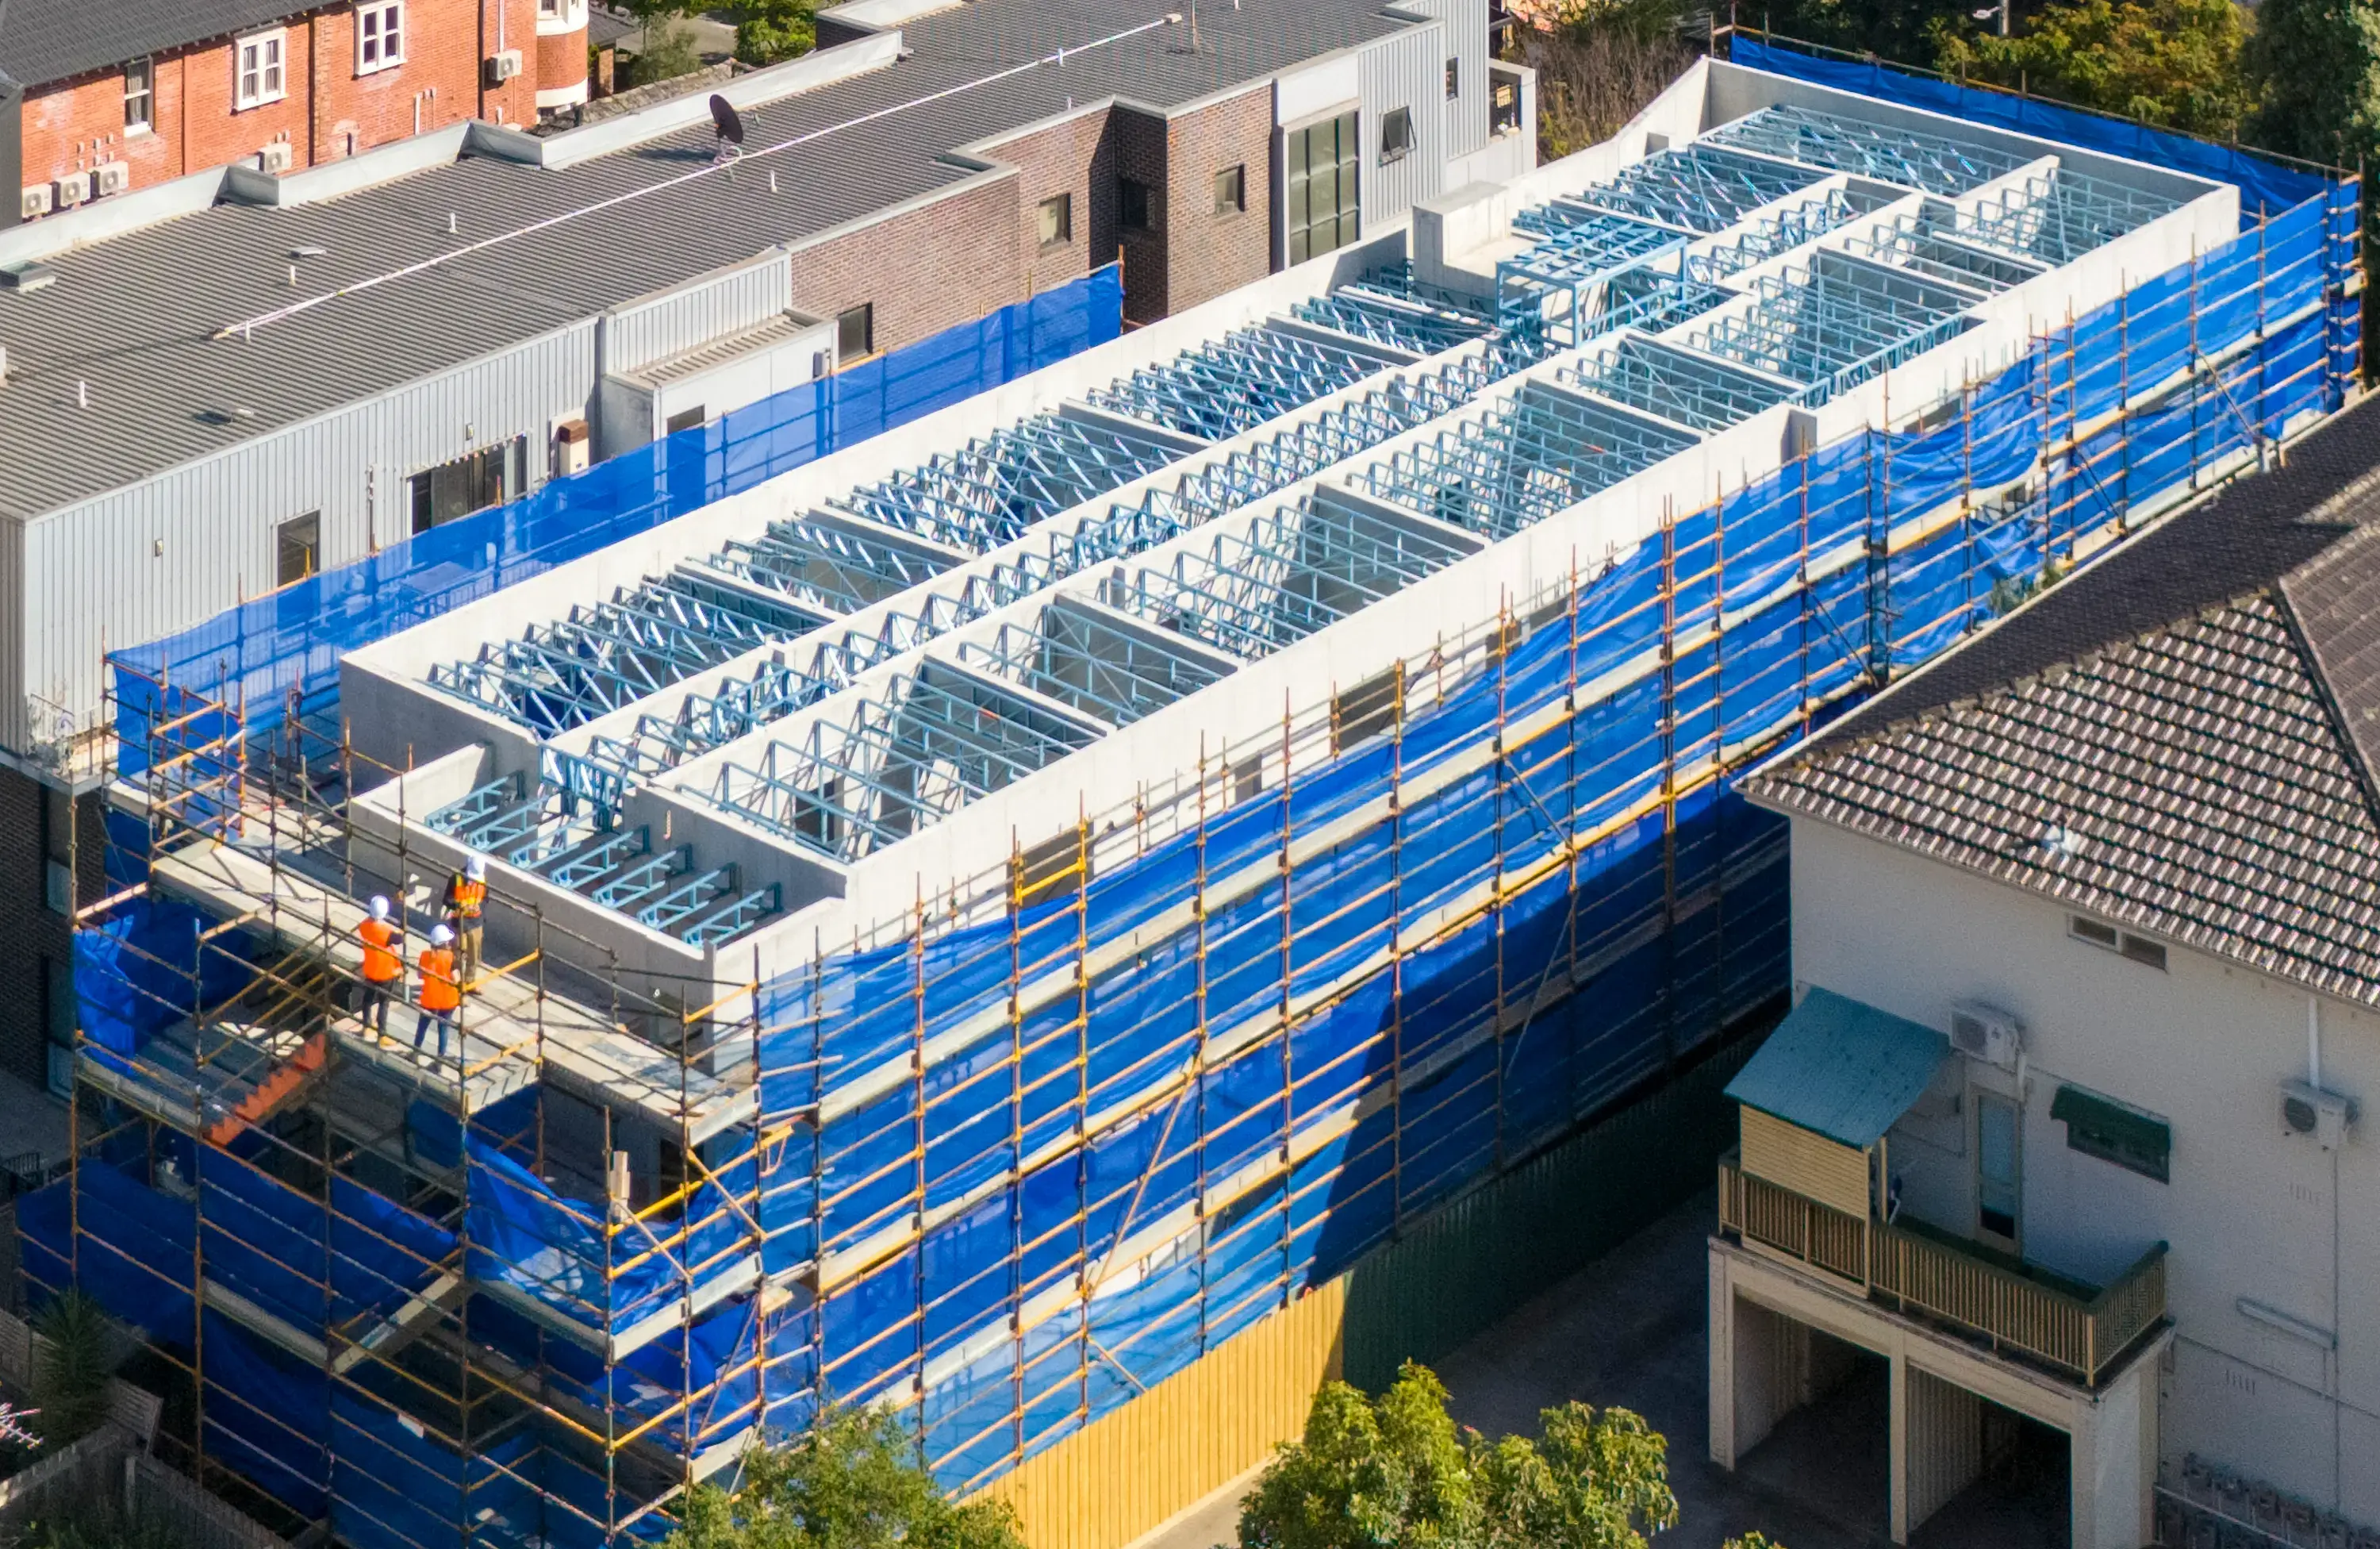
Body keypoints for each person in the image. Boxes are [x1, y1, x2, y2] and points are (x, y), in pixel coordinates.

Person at [358, 895, 402, 1040]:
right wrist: (401, 927)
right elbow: (399, 939)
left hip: (370, 970)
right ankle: (382, 1034)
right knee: (384, 1003)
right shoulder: (386, 932)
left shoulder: (364, 926)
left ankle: (366, 1027)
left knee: (367, 999)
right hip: (386, 972)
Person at [416, 924, 462, 1061]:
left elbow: (419, 975)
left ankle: (415, 1053)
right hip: (447, 1001)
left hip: (429, 998)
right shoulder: (451, 958)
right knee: (443, 1030)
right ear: (444, 943)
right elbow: (456, 979)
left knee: (422, 1027)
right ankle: (440, 1061)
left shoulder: (425, 955)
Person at [443, 857, 487, 984]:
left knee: (474, 956)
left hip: (476, 922)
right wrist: (459, 906)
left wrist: (480, 907)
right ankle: (456, 982)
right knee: (457, 955)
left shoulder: (482, 880)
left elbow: (486, 899)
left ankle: (469, 982)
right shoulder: (455, 879)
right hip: (459, 923)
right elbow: (447, 899)